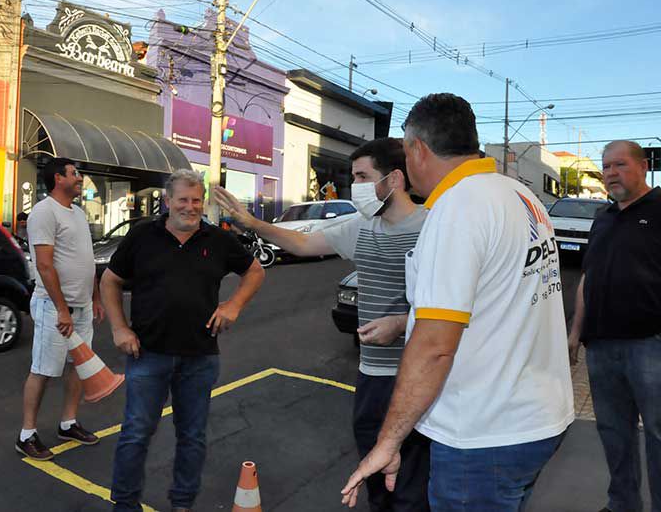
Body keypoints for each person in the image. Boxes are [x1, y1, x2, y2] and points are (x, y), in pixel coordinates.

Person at [341, 93, 575, 510]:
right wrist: (405, 321)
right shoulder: (518, 194)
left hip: (483, 436)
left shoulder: (457, 209)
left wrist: (388, 442)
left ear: (418, 149)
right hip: (538, 419)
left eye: (405, 151)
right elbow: (497, 300)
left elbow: (434, 346)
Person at [215, 137, 430, 511]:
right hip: (371, 377)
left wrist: (402, 322)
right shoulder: (361, 227)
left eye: (362, 177)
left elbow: (463, 306)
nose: (355, 186)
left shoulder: (433, 228)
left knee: (414, 483)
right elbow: (303, 243)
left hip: (419, 377)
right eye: (353, 177)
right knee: (377, 480)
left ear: (394, 179)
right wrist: (251, 222)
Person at [101, 169, 265, 512]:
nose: (190, 207)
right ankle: (125, 504)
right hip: (147, 354)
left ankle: (182, 503)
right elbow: (110, 281)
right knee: (135, 433)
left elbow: (255, 270)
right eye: (183, 200)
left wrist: (234, 305)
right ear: (167, 201)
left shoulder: (217, 240)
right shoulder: (142, 235)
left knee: (192, 436)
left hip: (199, 356)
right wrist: (119, 328)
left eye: (196, 200)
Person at [568, 140, 661, 512]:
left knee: (658, 434)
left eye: (620, 165)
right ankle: (623, 503)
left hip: (651, 345)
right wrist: (575, 332)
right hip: (602, 346)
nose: (610, 173)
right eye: (606, 166)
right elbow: (588, 277)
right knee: (613, 432)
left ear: (643, 167)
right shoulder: (602, 217)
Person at [16, 158, 105, 461]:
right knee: (43, 370)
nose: (79, 178)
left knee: (79, 365)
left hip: (81, 305)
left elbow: (86, 259)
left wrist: (95, 296)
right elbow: (44, 265)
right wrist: (61, 309)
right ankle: (26, 434)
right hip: (54, 307)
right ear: (58, 178)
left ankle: (68, 423)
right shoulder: (44, 212)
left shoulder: (77, 212)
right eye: (74, 173)